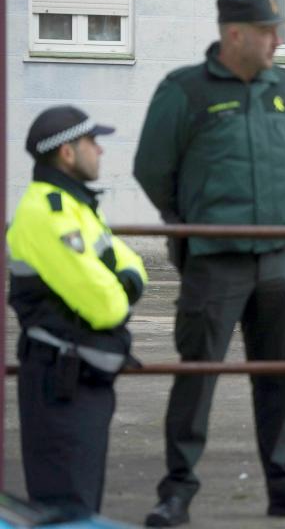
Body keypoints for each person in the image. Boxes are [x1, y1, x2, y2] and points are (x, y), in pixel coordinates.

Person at [134, 0, 285, 526]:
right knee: (198, 376)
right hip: (215, 261)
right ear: (235, 36)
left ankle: (284, 484)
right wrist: (188, 225)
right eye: (268, 31)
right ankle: (177, 489)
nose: (277, 39)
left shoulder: (279, 84)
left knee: (279, 374)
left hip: (274, 257)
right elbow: (153, 169)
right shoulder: (185, 90)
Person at [7, 106, 148, 519]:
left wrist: (121, 283)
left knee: (81, 504)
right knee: (66, 507)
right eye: (92, 142)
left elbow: (135, 267)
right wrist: (120, 287)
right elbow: (104, 305)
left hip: (80, 376)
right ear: (67, 152)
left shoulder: (77, 207)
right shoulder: (46, 212)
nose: (100, 151)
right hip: (59, 381)